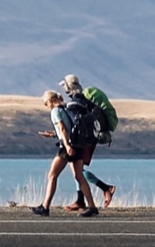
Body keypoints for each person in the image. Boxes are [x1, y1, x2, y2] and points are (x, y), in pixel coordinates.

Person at [33, 89, 98, 217]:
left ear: (51, 101)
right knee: (79, 176)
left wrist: (67, 145)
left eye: (46, 103)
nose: (46, 106)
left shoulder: (55, 111)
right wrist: (53, 135)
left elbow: (63, 128)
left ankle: (45, 207)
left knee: (52, 175)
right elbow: (67, 129)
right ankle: (92, 206)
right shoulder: (66, 109)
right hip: (78, 145)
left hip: (67, 147)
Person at [61, 74, 118, 208]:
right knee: (78, 168)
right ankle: (81, 200)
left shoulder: (78, 101)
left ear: (68, 87)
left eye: (65, 86)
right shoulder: (85, 99)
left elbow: (79, 122)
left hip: (85, 138)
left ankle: (105, 188)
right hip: (91, 136)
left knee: (77, 169)